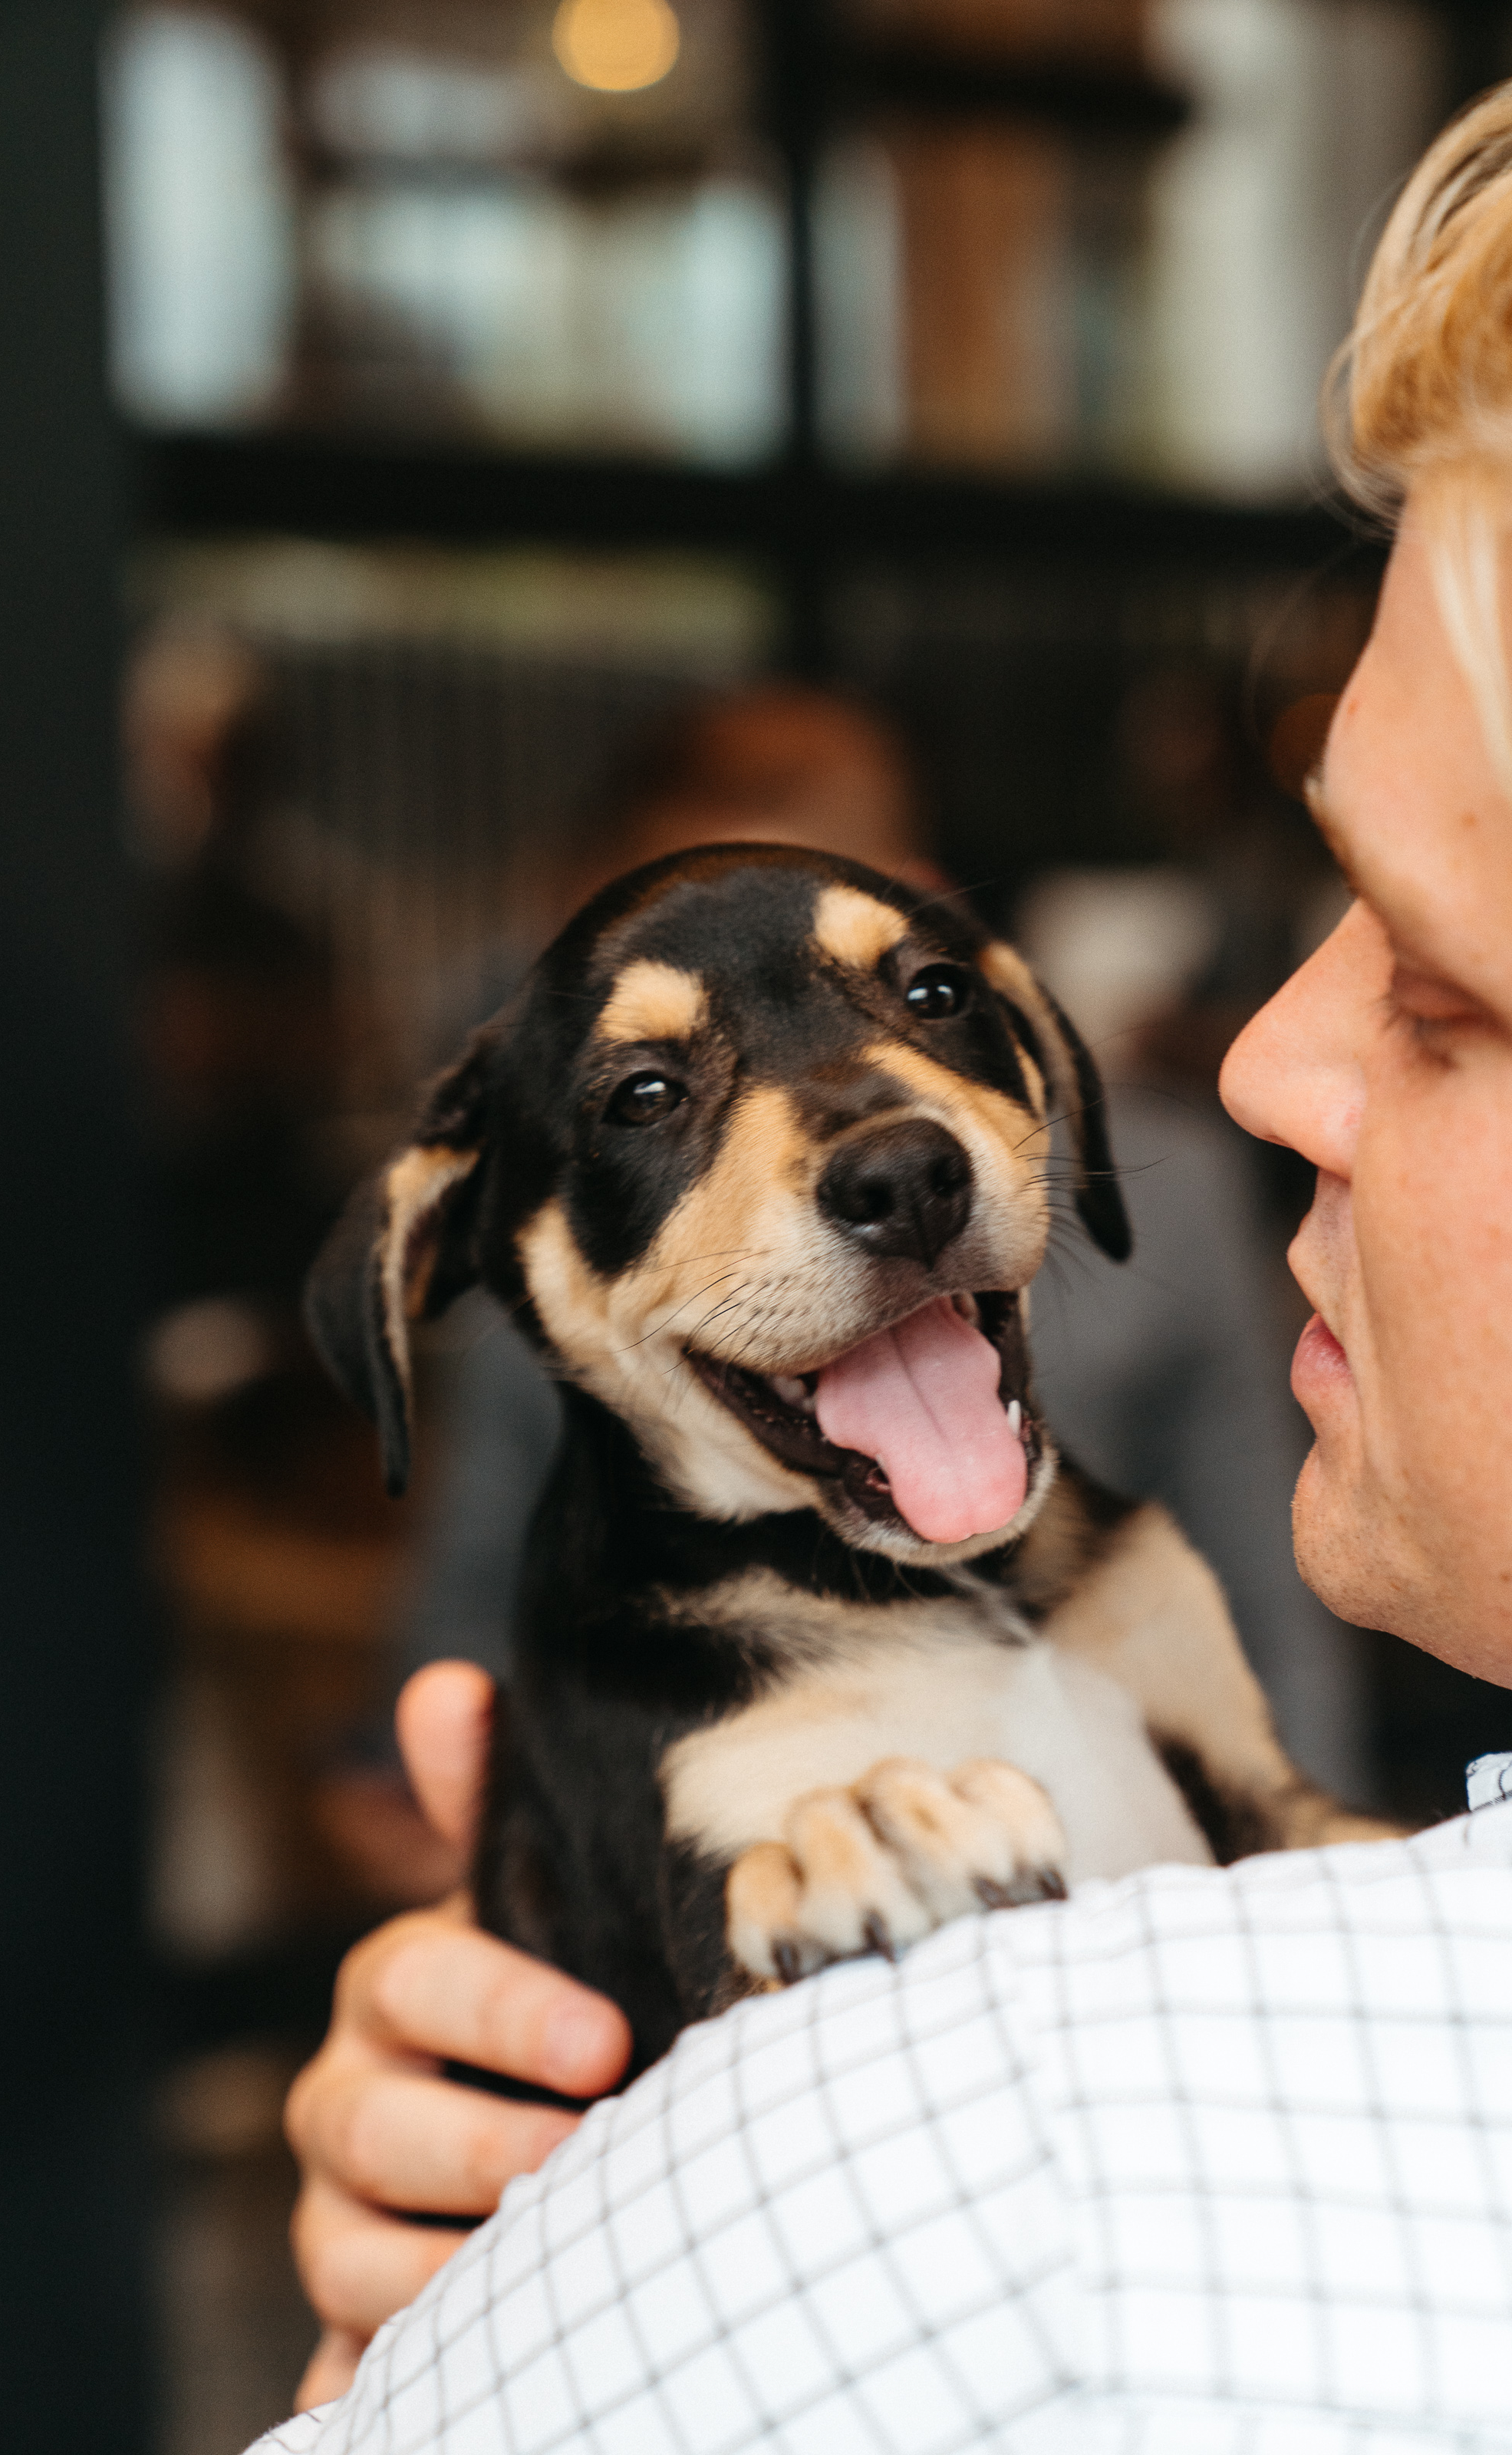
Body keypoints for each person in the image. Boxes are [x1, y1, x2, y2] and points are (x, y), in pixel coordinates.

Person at [255, 88, 1512, 2447]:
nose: (1258, 1065)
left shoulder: (994, 2187)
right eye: (655, 1096)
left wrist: (531, 2341)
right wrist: (514, 2205)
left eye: (1444, 990)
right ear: (486, 1264)